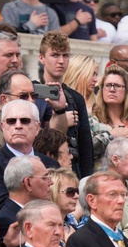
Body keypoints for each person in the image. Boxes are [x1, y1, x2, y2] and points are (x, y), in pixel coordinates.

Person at [0, 97, 60, 211]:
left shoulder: (51, 164)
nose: (18, 126)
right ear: (3, 127)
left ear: (37, 127)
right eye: (11, 121)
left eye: (25, 121)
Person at [38, 31, 95, 179]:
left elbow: (85, 146)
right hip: (41, 169)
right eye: (55, 55)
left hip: (72, 170)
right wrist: (62, 119)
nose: (61, 61)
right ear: (42, 58)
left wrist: (86, 180)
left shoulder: (76, 98)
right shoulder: (32, 91)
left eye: (65, 55)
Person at [90, 65, 128, 170]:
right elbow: (86, 151)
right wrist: (111, 135)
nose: (112, 89)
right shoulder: (92, 122)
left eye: (117, 86)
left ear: (127, 90)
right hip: (101, 183)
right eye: (107, 85)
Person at [50, 167, 81, 245]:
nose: (77, 196)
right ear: (53, 192)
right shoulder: (43, 229)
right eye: (70, 191)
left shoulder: (72, 225)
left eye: (77, 191)